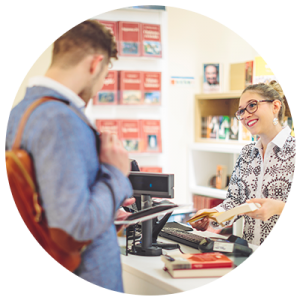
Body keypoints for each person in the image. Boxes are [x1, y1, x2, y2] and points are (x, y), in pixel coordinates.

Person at [5, 20, 136, 293]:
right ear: (95, 64)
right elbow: (76, 227)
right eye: (104, 76)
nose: (100, 85)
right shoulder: (62, 119)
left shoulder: (20, 113)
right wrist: (115, 173)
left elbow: (52, 207)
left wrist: (106, 205)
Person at [190, 81, 295, 246]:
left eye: (252, 105)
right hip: (249, 250)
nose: (245, 115)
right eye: (241, 111)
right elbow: (235, 201)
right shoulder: (247, 153)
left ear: (275, 106)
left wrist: (279, 208)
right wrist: (212, 214)